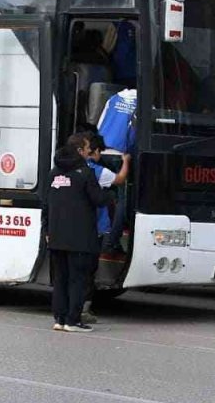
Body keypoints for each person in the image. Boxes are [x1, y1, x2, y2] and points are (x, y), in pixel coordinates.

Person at [40, 142, 109, 333]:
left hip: (56, 236)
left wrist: (47, 230)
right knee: (77, 279)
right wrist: (110, 194)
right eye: (85, 149)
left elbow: (45, 204)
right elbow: (99, 200)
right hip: (80, 237)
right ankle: (73, 321)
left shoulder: (53, 173)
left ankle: (59, 319)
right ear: (78, 153)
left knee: (60, 279)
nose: (88, 152)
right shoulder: (85, 173)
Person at [71, 132, 131, 325]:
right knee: (88, 270)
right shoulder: (96, 171)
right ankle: (83, 309)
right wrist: (126, 162)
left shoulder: (63, 169)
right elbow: (120, 179)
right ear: (93, 152)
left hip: (72, 226)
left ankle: (69, 309)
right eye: (97, 152)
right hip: (94, 228)